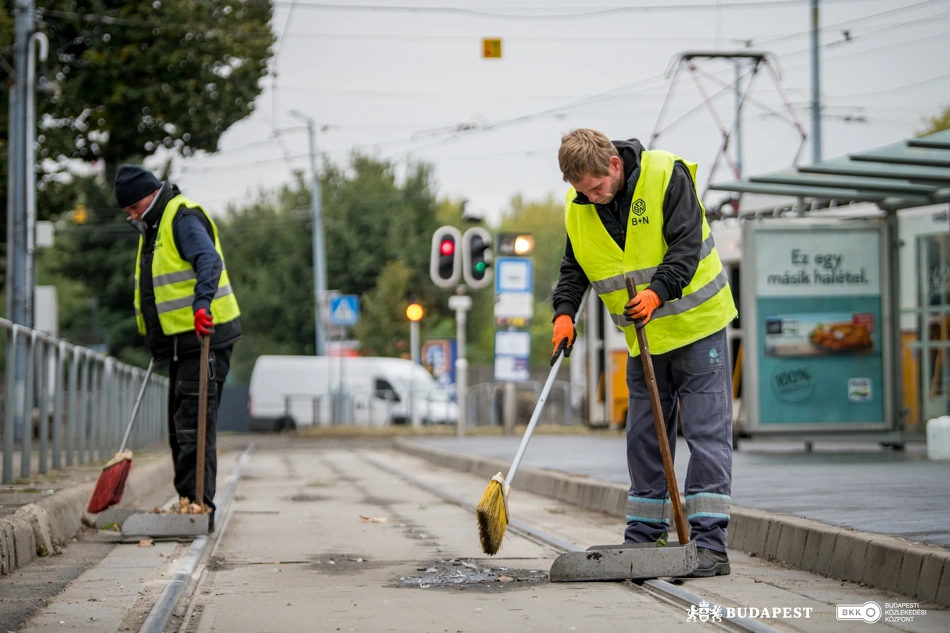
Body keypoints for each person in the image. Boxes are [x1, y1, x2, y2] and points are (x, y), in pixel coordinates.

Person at [552, 129, 737, 577]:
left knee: (704, 433)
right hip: (644, 339)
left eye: (596, 187)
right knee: (644, 437)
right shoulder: (580, 208)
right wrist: (563, 312)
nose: (592, 198)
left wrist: (657, 293)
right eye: (582, 192)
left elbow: (686, 246)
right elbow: (574, 268)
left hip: (697, 327)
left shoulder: (664, 174)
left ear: (614, 164)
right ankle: (644, 535)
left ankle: (709, 544)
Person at [114, 165, 242, 531]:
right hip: (179, 343)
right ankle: (188, 501)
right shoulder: (152, 226)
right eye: (128, 211)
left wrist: (202, 303)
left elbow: (208, 260)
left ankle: (198, 507)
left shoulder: (180, 217)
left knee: (193, 424)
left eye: (134, 207)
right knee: (180, 425)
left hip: (205, 337)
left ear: (149, 194)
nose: (132, 215)